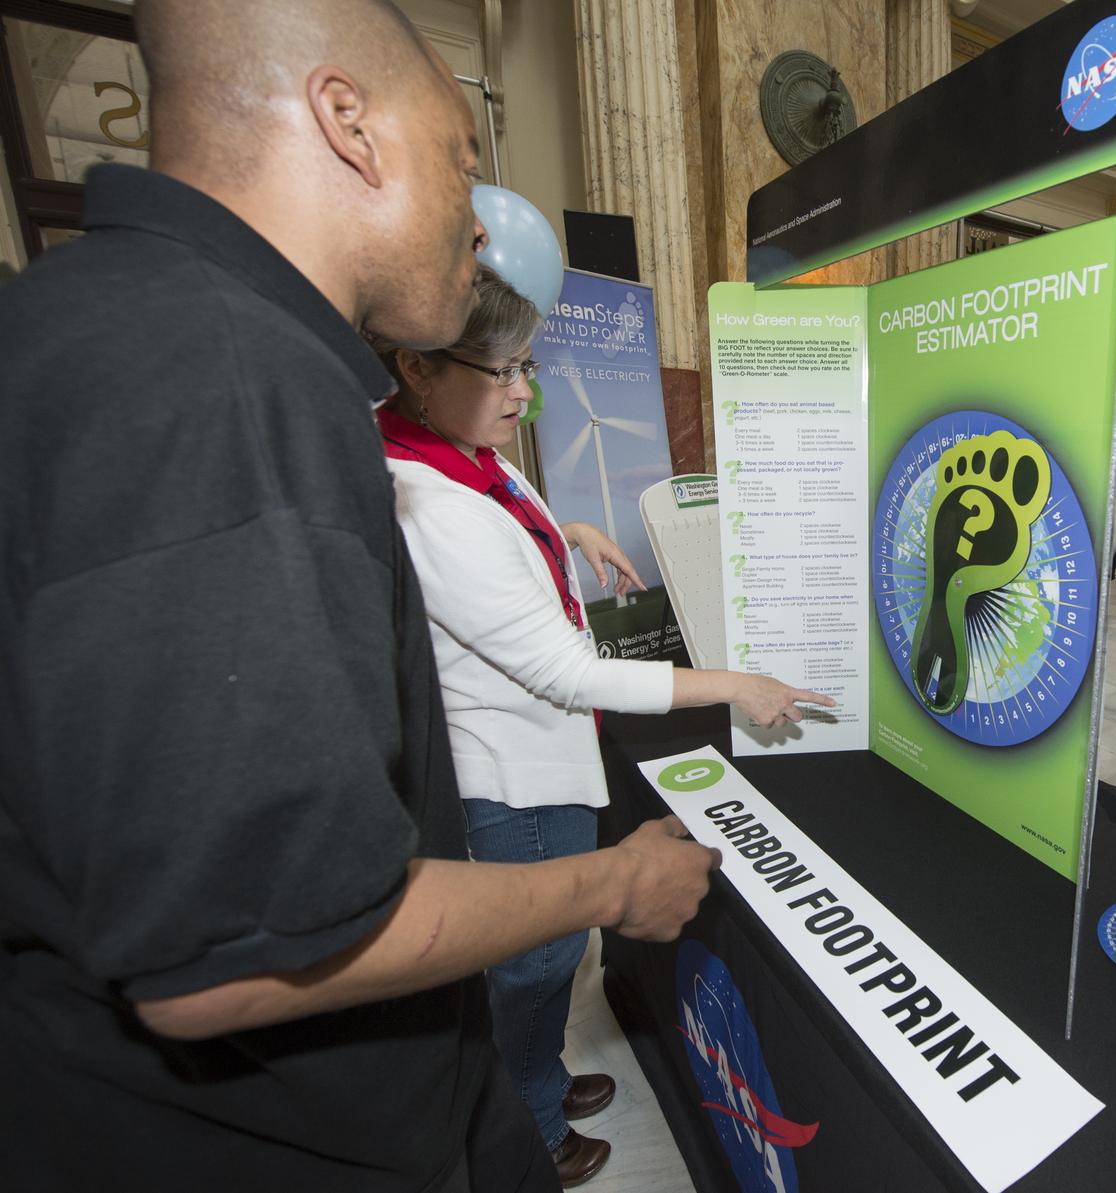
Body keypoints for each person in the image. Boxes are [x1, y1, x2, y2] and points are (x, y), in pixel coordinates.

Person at [0, 3, 720, 1192]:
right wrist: (613, 880)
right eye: (461, 158)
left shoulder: (95, 325)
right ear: (349, 122)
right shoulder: (220, 383)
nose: (476, 229)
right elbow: (229, 956)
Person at [377, 266, 836, 1185]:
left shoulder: (454, 447)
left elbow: (501, 519)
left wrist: (571, 527)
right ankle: (532, 1126)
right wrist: (732, 684)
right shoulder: (423, 495)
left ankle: (539, 1076)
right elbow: (560, 670)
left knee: (546, 965)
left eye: (527, 365)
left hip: (543, 758)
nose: (524, 391)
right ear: (418, 368)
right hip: (516, 779)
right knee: (533, 967)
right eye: (501, 371)